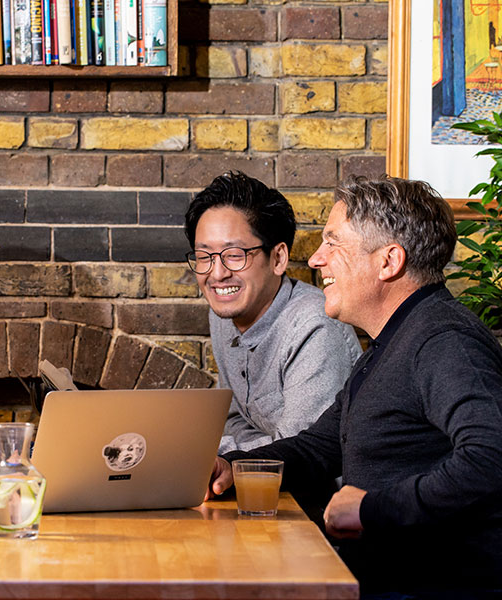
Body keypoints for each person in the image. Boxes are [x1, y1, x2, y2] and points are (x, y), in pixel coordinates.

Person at [208, 176, 502, 598]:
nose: (315, 260)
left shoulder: (444, 340)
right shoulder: (393, 341)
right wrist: (232, 469)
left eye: (333, 243)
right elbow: (319, 447)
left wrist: (371, 509)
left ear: (388, 262)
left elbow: (492, 459)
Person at [185, 171, 360, 454]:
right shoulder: (225, 314)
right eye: (204, 257)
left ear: (278, 258)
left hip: (316, 494)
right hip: (256, 482)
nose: (217, 274)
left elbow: (301, 453)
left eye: (234, 255)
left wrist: (205, 452)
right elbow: (232, 419)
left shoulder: (314, 328)